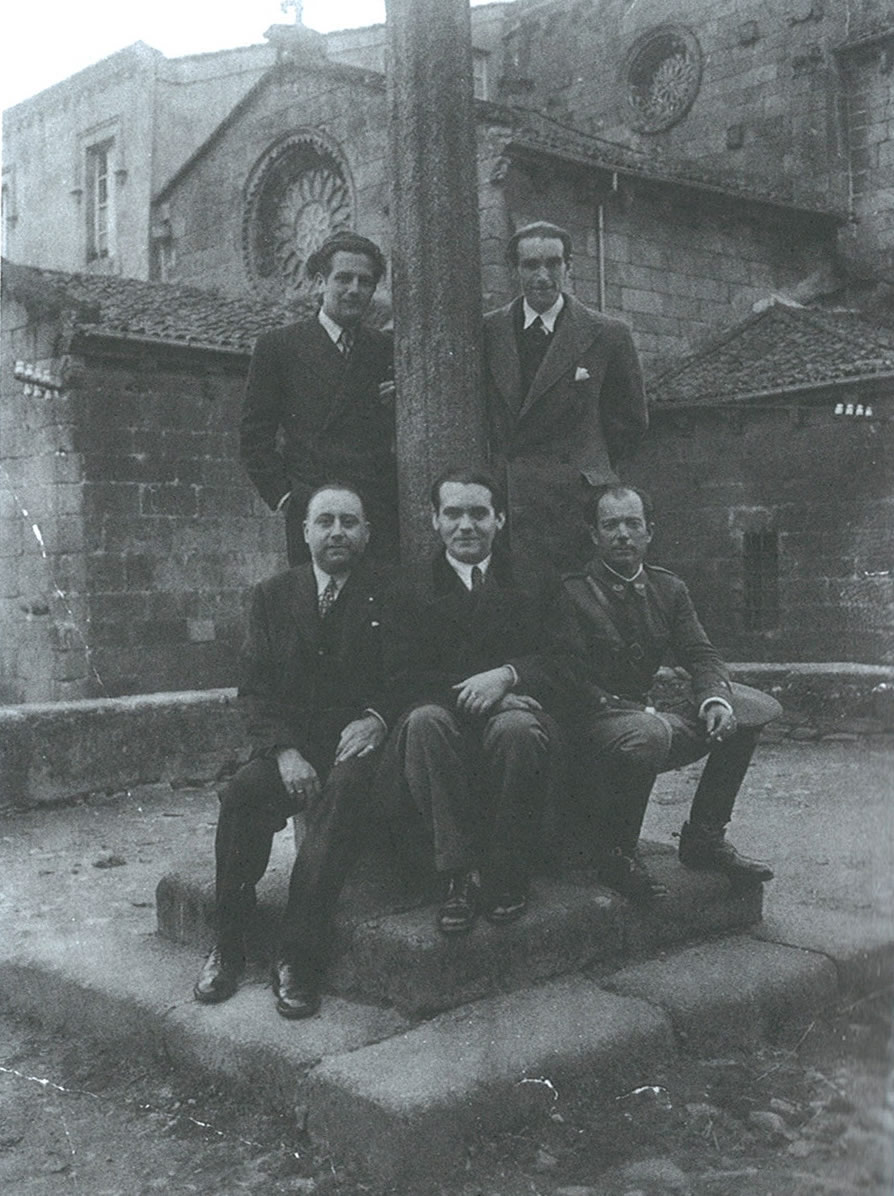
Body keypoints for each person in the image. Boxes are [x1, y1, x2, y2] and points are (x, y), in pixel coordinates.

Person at [193, 483, 401, 1019]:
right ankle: (229, 943)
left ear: (367, 534)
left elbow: (409, 675)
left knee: (344, 797)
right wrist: (284, 751)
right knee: (242, 794)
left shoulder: (391, 594)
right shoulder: (273, 595)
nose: (338, 532)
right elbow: (255, 688)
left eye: (350, 522)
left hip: (359, 751)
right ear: (305, 531)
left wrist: (378, 718)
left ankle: (297, 956)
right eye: (325, 521)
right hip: (293, 749)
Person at [562, 485, 781, 902]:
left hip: (647, 726)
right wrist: (637, 712)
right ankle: (618, 854)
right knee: (650, 731)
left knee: (747, 708)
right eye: (610, 525)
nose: (623, 534)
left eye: (633, 524)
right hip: (591, 728)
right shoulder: (570, 592)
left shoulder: (669, 589)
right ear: (594, 535)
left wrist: (714, 700)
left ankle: (704, 838)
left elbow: (701, 654)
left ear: (649, 533)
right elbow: (566, 675)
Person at [383, 468, 574, 933]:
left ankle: (507, 869)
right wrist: (483, 695)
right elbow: (399, 674)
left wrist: (509, 676)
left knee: (518, 730)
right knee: (424, 721)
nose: (465, 525)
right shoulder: (407, 588)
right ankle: (458, 875)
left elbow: (567, 659)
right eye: (453, 513)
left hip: (517, 722)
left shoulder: (536, 579)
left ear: (500, 519)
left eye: (478, 513)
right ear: (434, 521)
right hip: (442, 721)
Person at [483, 221, 648, 570]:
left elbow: (629, 424)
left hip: (575, 504)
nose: (543, 275)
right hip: (510, 501)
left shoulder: (607, 334)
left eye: (553, 263)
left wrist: (587, 470)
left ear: (568, 267)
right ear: (515, 270)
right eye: (530, 265)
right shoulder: (488, 331)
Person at [240, 231, 397, 565]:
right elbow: (254, 438)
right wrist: (288, 499)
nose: (354, 289)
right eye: (343, 278)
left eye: (365, 281)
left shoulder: (386, 348)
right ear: (318, 282)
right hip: (314, 510)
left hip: (373, 510)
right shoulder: (279, 346)